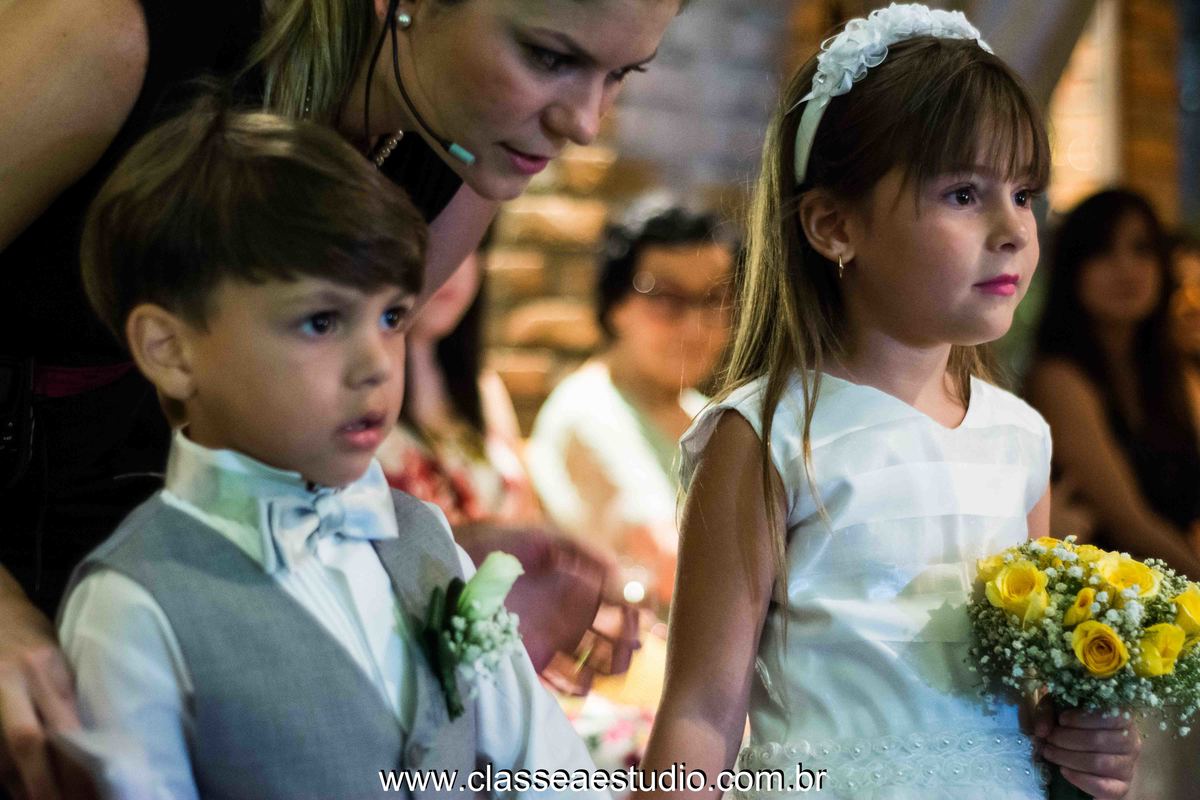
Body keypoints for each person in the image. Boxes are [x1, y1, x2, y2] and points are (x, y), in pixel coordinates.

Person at [0, 1, 682, 794]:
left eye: (621, 75)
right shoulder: (113, 36)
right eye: (548, 56)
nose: (587, 124)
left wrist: (418, 563)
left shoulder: (468, 150)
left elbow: (299, 435)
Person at [637, 6, 1139, 799]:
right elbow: (700, 713)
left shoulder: (1020, 440)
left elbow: (1018, 700)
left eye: (1025, 192)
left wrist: (1085, 748)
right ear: (835, 225)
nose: (1013, 228)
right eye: (965, 193)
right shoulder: (769, 435)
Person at [57, 101, 604, 800]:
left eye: (391, 316)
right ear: (172, 351)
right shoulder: (136, 603)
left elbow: (553, 772)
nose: (375, 363)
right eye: (321, 321)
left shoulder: (424, 539)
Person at [528, 201, 733, 612]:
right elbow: (671, 564)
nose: (694, 326)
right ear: (616, 303)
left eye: (714, 300)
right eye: (667, 298)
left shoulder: (703, 410)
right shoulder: (590, 409)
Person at [1026, 190, 1200, 577]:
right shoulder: (1058, 379)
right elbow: (1129, 524)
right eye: (1103, 251)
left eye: (1141, 249)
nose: (1126, 268)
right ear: (1074, 269)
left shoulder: (1177, 375)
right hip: (1104, 606)